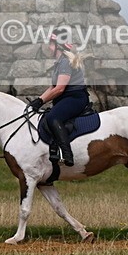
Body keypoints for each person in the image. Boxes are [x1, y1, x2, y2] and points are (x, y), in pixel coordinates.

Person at [27, 32, 89, 167]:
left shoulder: (65, 62)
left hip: (75, 98)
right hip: (66, 98)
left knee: (52, 118)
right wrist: (38, 101)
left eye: (50, 43)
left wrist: (41, 101)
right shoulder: (59, 63)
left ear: (58, 46)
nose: (48, 47)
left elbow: (60, 88)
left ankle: (67, 154)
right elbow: (53, 87)